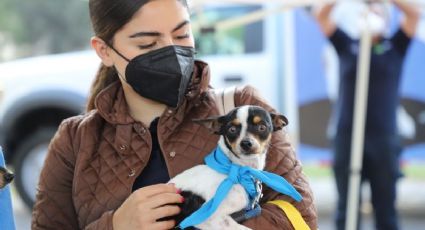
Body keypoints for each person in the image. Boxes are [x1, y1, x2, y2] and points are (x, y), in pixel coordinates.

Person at [31, 0, 317, 229]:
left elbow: (301, 216)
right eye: (148, 44)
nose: (172, 51)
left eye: (181, 34)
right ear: (104, 50)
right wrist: (116, 225)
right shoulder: (74, 140)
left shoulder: (240, 108)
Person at [314, 1, 419, 230]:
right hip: (348, 137)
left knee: (385, 209)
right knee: (347, 208)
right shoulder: (347, 46)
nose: (372, 15)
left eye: (377, 12)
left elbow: (414, 14)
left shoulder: (396, 47)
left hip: (383, 139)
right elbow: (321, 16)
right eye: (368, 11)